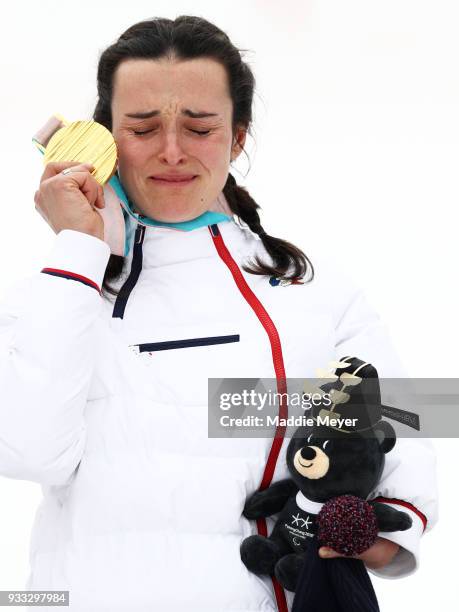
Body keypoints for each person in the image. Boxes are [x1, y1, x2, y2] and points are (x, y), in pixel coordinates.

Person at [0, 15, 437, 612]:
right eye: (143, 127)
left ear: (237, 138)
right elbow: (26, 451)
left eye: (200, 127)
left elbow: (408, 421)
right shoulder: (63, 290)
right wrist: (77, 246)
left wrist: (378, 529)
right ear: (103, 139)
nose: (172, 152)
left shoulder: (311, 287)